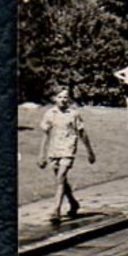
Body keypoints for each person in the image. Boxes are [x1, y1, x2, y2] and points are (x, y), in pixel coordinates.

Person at [38, 86, 95, 226]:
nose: (63, 100)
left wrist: (89, 151)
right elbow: (45, 135)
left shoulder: (73, 114)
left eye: (65, 97)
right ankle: (73, 203)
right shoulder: (49, 114)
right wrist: (41, 154)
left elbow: (82, 133)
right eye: (60, 97)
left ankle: (56, 210)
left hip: (68, 148)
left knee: (61, 177)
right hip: (54, 149)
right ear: (54, 99)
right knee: (61, 180)